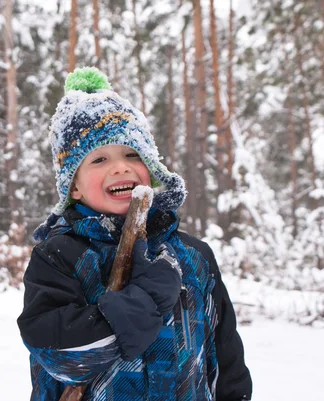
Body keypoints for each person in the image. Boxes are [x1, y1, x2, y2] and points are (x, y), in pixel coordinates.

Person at [17, 67, 252, 401]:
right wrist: (144, 301)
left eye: (132, 154)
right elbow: (61, 358)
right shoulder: (59, 256)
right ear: (75, 189)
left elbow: (225, 358)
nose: (120, 167)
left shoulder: (194, 257)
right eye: (98, 159)